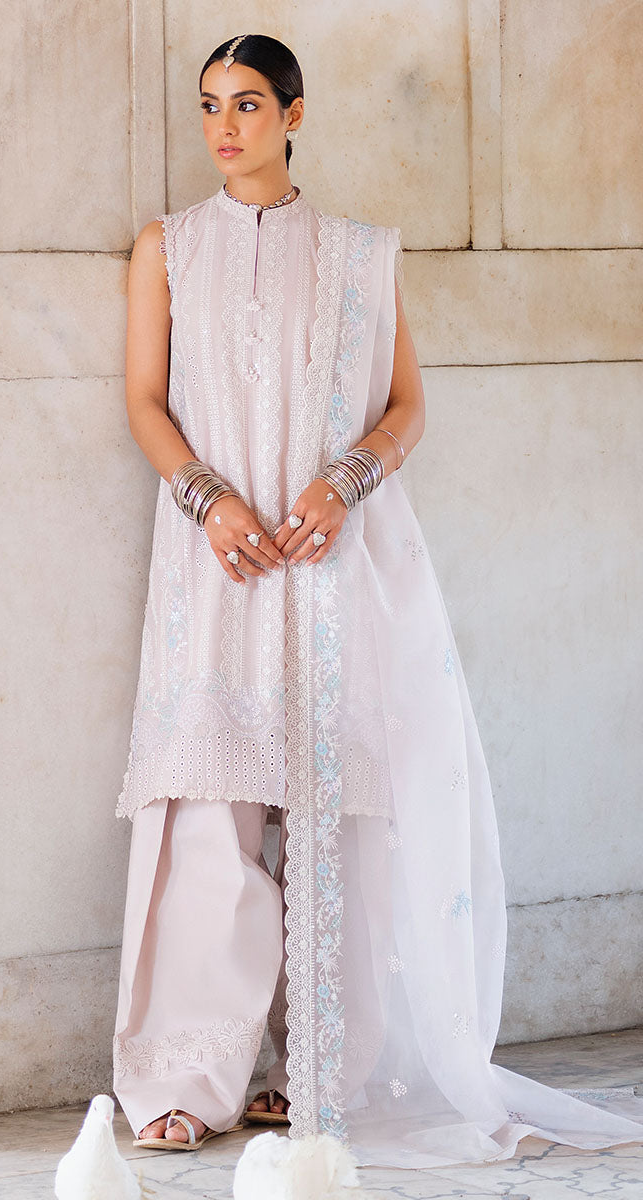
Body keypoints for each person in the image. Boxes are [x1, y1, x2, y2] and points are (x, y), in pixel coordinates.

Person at [111, 32, 643, 1167]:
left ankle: (322, 1073)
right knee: (205, 808)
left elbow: (406, 406)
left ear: (293, 114)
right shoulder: (169, 249)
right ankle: (184, 1080)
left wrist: (345, 481)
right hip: (215, 566)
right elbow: (145, 401)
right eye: (208, 105)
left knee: (338, 808)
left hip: (330, 561)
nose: (222, 127)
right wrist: (206, 498)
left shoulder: (359, 254)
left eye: (247, 105)